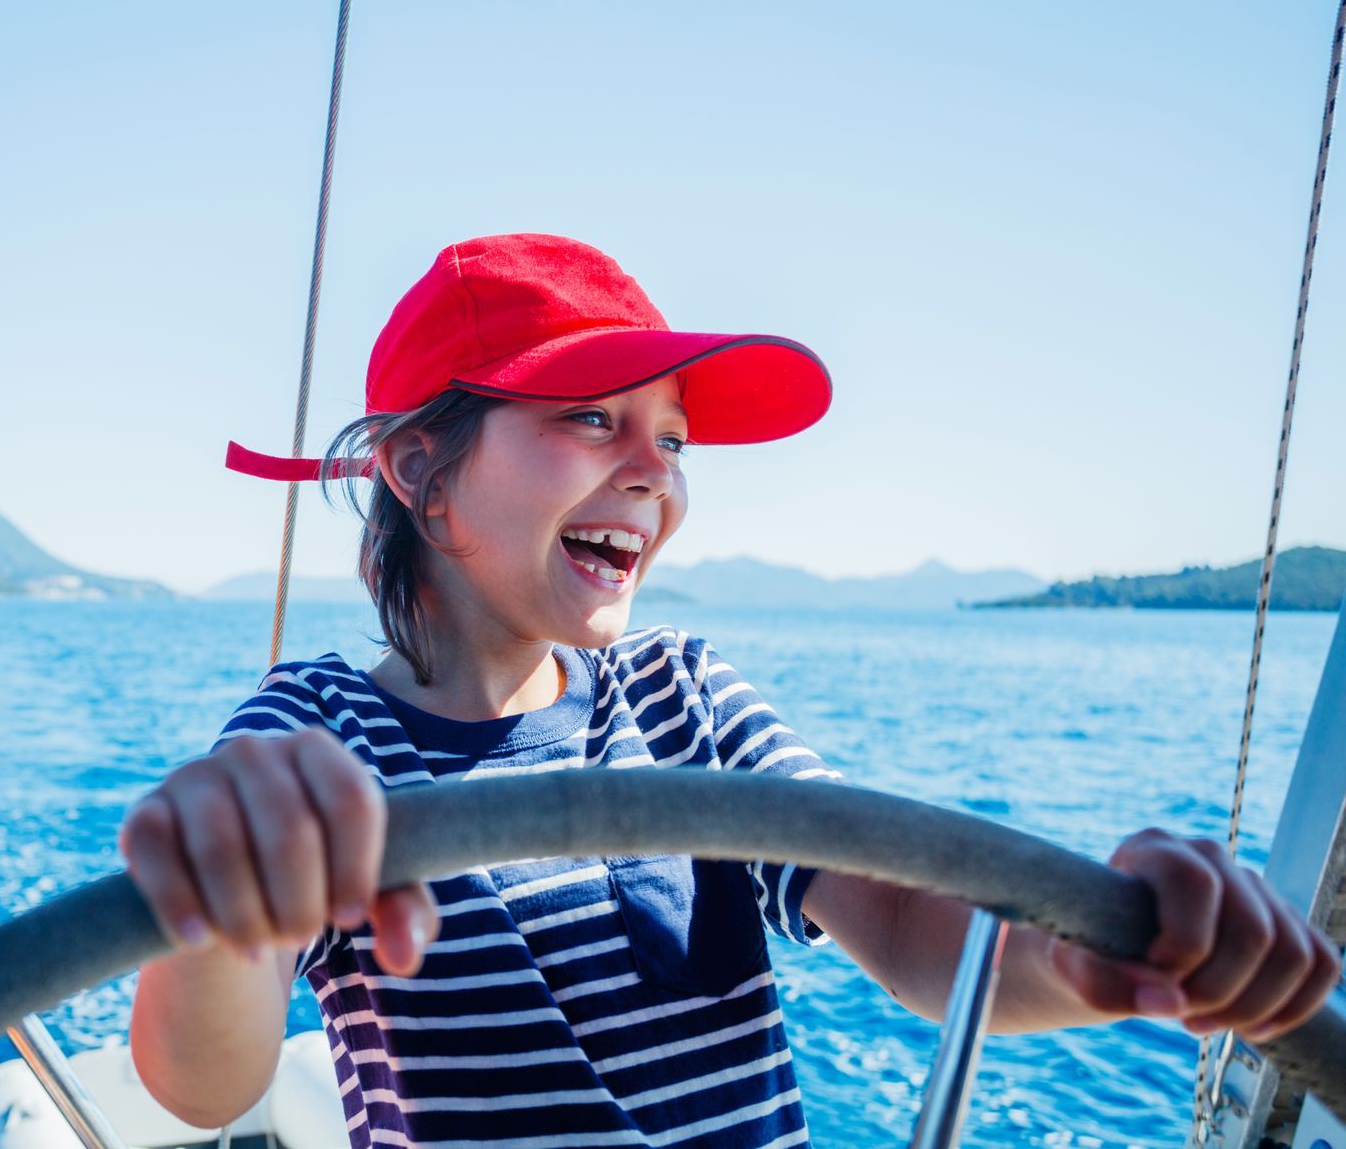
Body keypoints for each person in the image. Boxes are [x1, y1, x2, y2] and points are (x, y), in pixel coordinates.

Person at [122, 234, 1340, 1147]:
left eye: (674, 437)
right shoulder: (312, 742)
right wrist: (236, 905)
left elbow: (913, 926)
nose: (655, 470)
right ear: (421, 474)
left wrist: (1091, 952)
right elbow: (201, 1080)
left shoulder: (681, 696)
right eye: (594, 417)